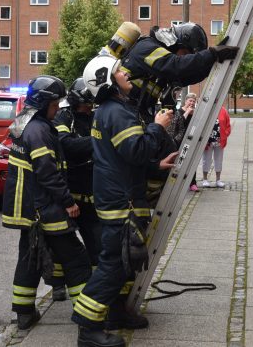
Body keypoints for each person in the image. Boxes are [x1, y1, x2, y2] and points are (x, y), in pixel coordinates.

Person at [72, 55, 177, 347]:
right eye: (120, 71)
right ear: (108, 80)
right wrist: (158, 127)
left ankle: (116, 313)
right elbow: (136, 150)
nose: (127, 73)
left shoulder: (111, 110)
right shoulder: (117, 113)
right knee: (113, 265)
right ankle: (88, 328)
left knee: (124, 262)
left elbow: (123, 157)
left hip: (118, 196)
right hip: (122, 201)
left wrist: (156, 167)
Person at [2, 75, 91, 330]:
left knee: (30, 258)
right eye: (54, 104)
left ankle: (24, 312)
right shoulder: (39, 130)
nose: (57, 109)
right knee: (76, 259)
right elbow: (47, 173)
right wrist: (67, 202)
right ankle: (88, 316)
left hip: (29, 209)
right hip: (44, 208)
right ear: (43, 104)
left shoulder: (25, 123)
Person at [119, 22, 238, 122]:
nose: (187, 58)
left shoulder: (161, 64)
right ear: (179, 44)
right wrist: (211, 54)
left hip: (136, 111)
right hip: (123, 110)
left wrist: (211, 65)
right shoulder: (147, 47)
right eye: (187, 54)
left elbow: (184, 77)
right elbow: (177, 66)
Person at [49, 77, 100, 301]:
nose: (88, 109)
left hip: (91, 190)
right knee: (63, 243)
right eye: (84, 105)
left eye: (90, 105)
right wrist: (98, 142)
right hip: (69, 191)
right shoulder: (64, 116)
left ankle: (97, 287)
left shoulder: (95, 116)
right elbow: (66, 145)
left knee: (96, 243)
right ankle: (57, 284)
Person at [166, 92, 199, 191]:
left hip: (191, 140)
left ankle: (192, 183)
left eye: (194, 101)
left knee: (191, 161)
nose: (192, 103)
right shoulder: (179, 111)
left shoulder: (195, 113)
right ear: (185, 101)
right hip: (179, 141)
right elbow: (178, 125)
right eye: (190, 100)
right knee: (178, 161)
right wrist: (187, 112)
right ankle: (174, 182)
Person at [201, 105, 231, 188]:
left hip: (219, 140)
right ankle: (205, 179)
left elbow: (228, 125)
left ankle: (218, 180)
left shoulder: (223, 111)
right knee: (206, 160)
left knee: (219, 160)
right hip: (208, 141)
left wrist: (225, 134)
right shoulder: (206, 109)